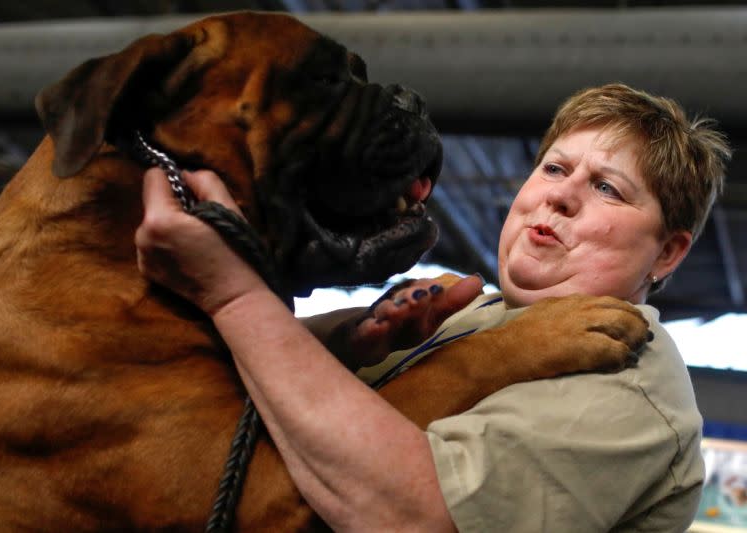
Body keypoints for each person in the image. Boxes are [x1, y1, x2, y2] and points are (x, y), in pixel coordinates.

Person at [134, 83, 730, 532]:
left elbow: (411, 516)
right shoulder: (474, 310)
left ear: (669, 253)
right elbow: (270, 404)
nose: (561, 194)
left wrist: (235, 294)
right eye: (553, 167)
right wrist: (347, 339)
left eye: (607, 188)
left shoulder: (628, 376)